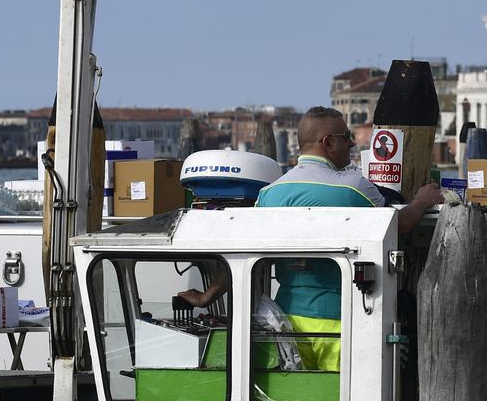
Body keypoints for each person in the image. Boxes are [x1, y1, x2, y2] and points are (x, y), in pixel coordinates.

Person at [178, 106, 448, 370]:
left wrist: (207, 296)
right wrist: (421, 201)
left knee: (303, 400)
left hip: (287, 322)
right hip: (340, 320)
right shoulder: (355, 189)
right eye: (346, 138)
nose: (352, 144)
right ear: (328, 143)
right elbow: (401, 226)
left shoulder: (269, 195)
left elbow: (243, 253)